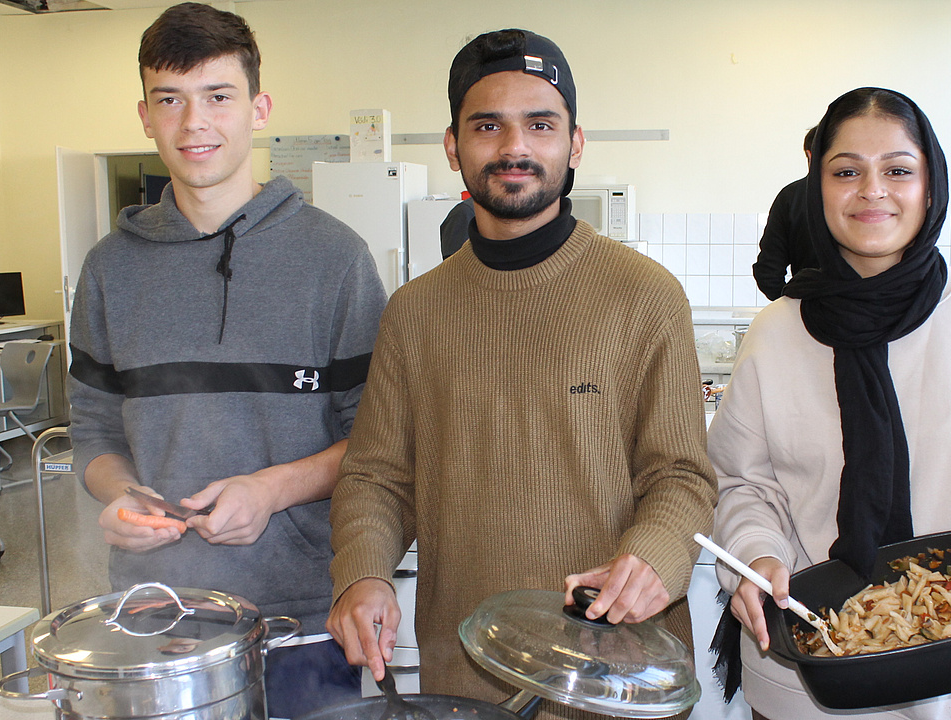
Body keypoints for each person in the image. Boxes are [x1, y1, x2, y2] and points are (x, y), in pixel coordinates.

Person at [325, 28, 717, 713]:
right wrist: (362, 575)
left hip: (618, 673)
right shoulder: (415, 313)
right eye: (487, 126)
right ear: (454, 146)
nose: (515, 148)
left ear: (575, 142)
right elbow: (376, 477)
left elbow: (681, 476)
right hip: (466, 676)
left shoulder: (644, 295)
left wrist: (655, 557)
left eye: (541, 125)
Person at [709, 87, 951, 720]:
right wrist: (758, 553)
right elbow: (744, 482)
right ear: (816, 186)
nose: (872, 190)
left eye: (897, 169)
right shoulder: (776, 334)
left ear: (931, 185)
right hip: (814, 673)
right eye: (845, 171)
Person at [66, 4, 386, 716]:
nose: (194, 123)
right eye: (169, 100)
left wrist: (270, 489)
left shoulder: (336, 260)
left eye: (217, 96)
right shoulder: (109, 268)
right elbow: (93, 429)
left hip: (300, 614)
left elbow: (379, 440)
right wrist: (117, 493)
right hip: (156, 611)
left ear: (258, 107)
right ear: (144, 115)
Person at [751, 126, 819, 301]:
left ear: (809, 155)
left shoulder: (791, 196)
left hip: (807, 313)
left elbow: (768, 271)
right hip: (871, 313)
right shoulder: (865, 195)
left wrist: (791, 305)